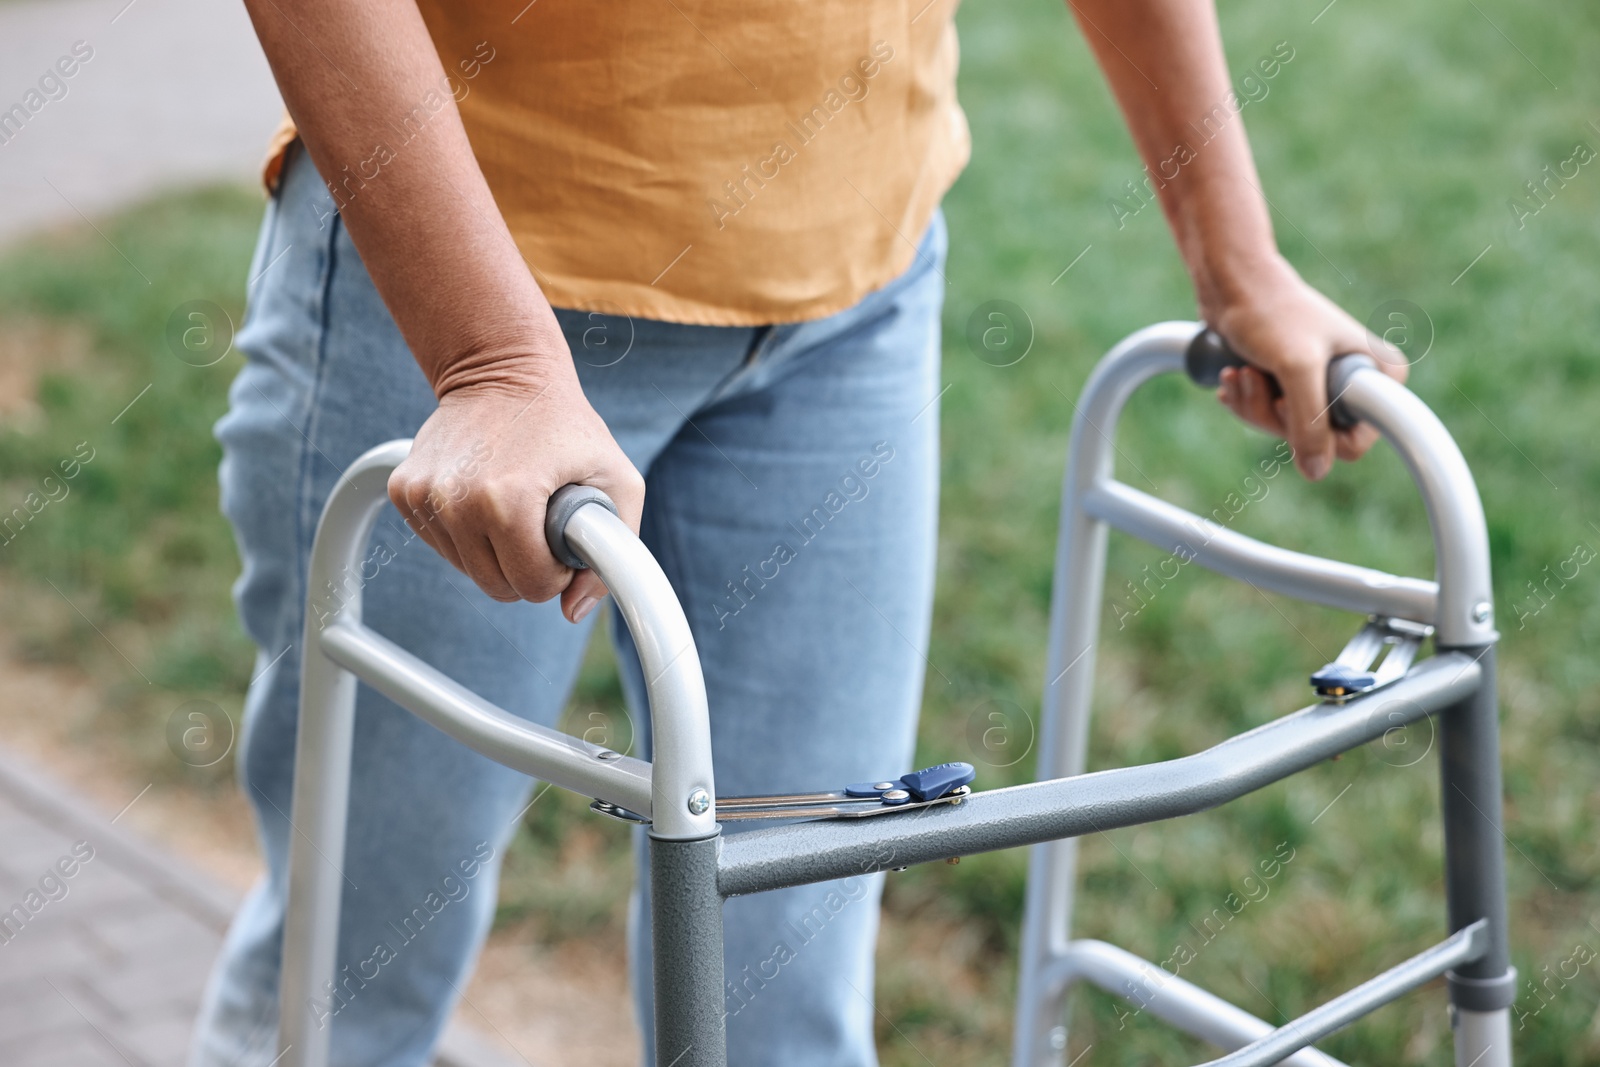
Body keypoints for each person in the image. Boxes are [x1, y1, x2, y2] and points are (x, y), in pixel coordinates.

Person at [190, 1, 1406, 1064]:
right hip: (478, 281)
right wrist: (490, 360)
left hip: (854, 296)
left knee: (788, 978)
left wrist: (1236, 256)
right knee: (358, 961)